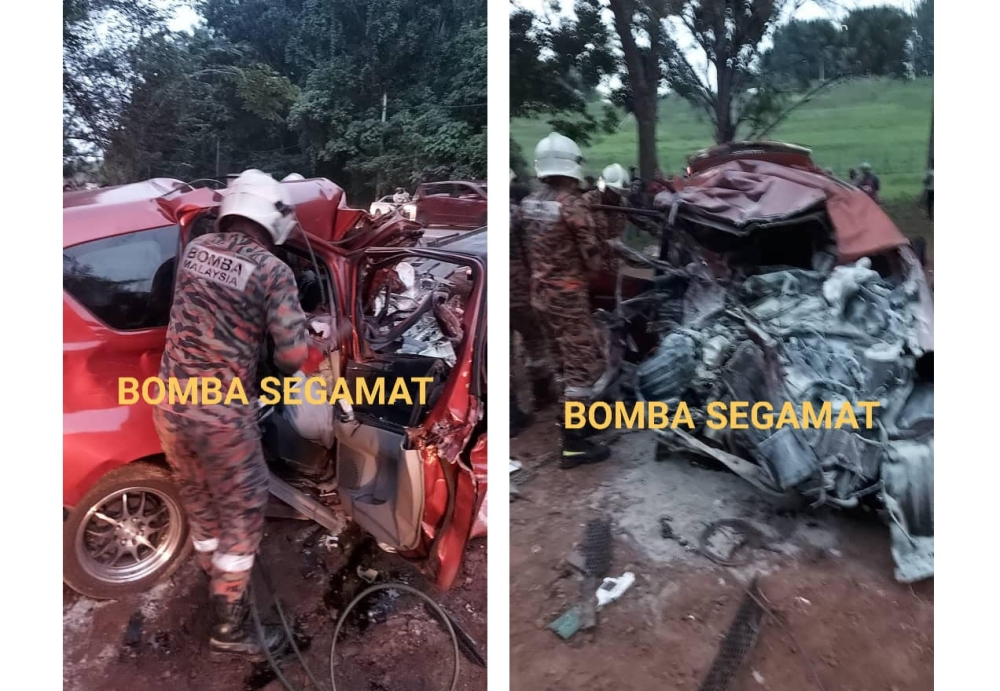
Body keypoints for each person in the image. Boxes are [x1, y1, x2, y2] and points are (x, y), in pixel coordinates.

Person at [152, 169, 309, 660]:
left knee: (202, 505)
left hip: (170, 403)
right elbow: (292, 356)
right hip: (220, 414)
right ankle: (230, 628)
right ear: (272, 217)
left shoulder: (197, 249)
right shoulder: (272, 271)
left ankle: (218, 584)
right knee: (243, 512)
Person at [515, 133, 610, 467]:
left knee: (559, 361)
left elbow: (525, 253)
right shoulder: (573, 205)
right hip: (568, 296)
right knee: (582, 367)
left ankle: (565, 419)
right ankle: (574, 442)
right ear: (573, 166)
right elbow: (593, 257)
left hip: (539, 295)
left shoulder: (527, 204)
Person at [509, 169, 555, 437]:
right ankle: (541, 395)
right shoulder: (517, 215)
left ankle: (510, 412)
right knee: (535, 342)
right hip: (520, 290)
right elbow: (532, 253)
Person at [583, 163, 630, 278]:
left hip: (614, 266)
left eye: (619, 194)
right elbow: (584, 242)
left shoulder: (622, 203)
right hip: (590, 265)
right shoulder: (586, 202)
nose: (617, 197)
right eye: (614, 193)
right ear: (604, 188)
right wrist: (606, 245)